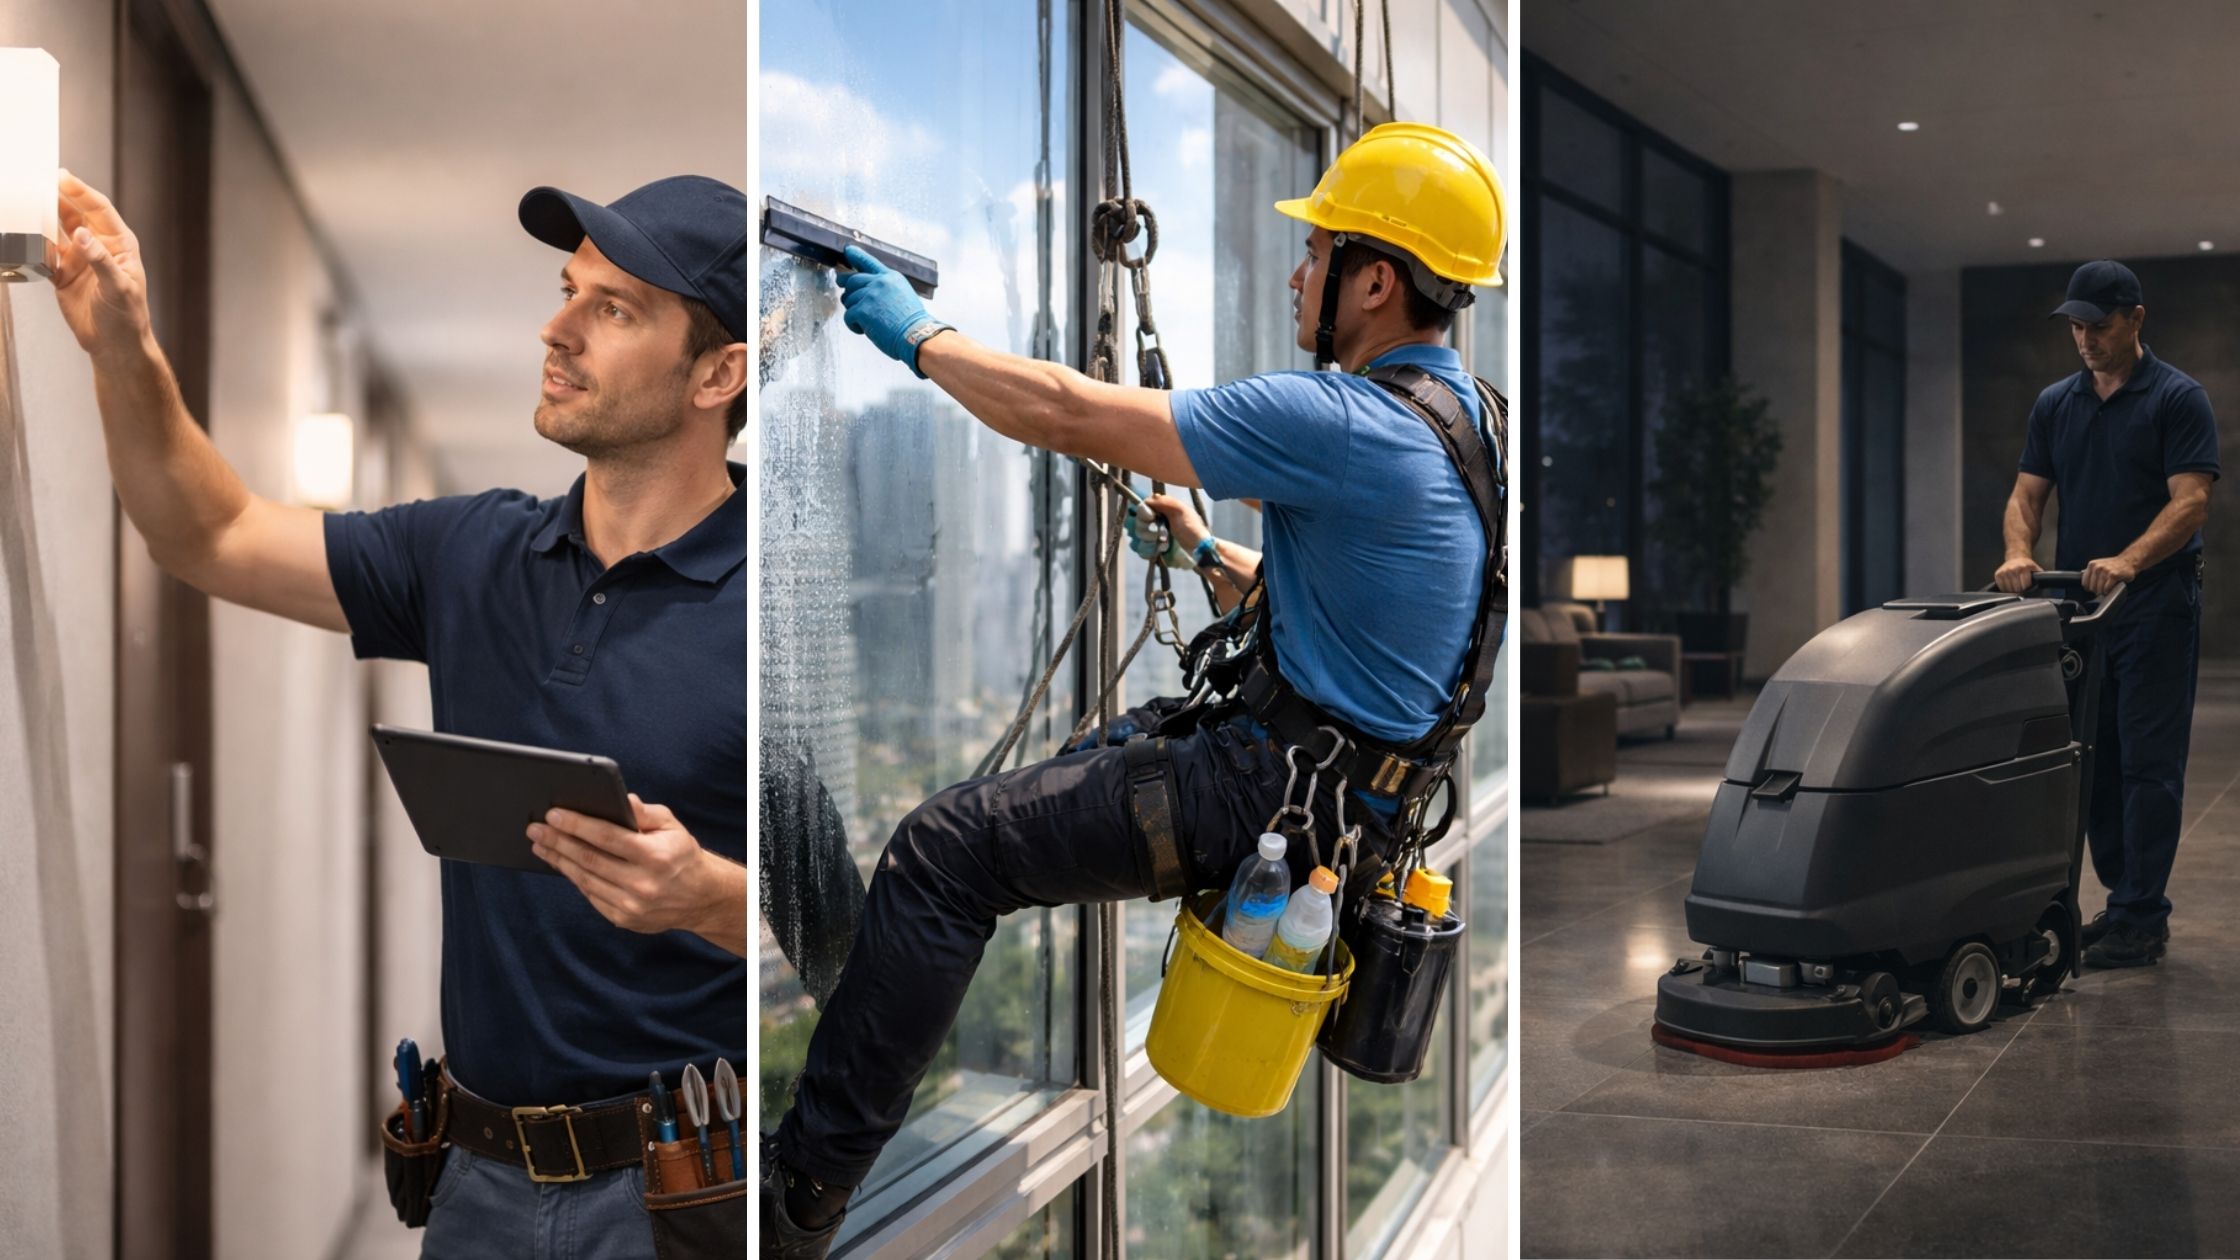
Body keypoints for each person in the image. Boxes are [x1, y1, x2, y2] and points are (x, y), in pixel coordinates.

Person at [761, 122, 1508, 1257]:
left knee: (941, 853)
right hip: (1344, 802)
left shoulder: (1345, 419)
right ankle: (881, 1012)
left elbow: (1066, 409)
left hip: (1261, 790)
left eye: (1317, 255)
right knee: (1050, 792)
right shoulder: (1471, 425)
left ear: (1375, 282)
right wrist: (1206, 552)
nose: (1296, 275)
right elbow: (1377, 621)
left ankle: (798, 1198)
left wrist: (919, 336)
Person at [52, 171, 749, 1253]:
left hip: (681, 1198)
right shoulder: (469, 551)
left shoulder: (781, 607)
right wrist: (123, 347)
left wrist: (710, 898)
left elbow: (851, 932)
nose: (557, 329)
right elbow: (209, 535)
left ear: (718, 373)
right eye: (568, 291)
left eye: (613, 309)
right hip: (474, 1184)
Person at [1994, 259, 2217, 969]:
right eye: (2076, 328)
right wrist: (2019, 552)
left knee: (2149, 762)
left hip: (2155, 603)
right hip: (2081, 608)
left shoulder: (2177, 397)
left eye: (2100, 326)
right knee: (2092, 758)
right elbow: (2027, 494)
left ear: (2135, 319)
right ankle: (2124, 904)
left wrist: (2128, 559)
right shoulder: (2056, 403)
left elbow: (2191, 502)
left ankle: (2141, 916)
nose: (2086, 340)